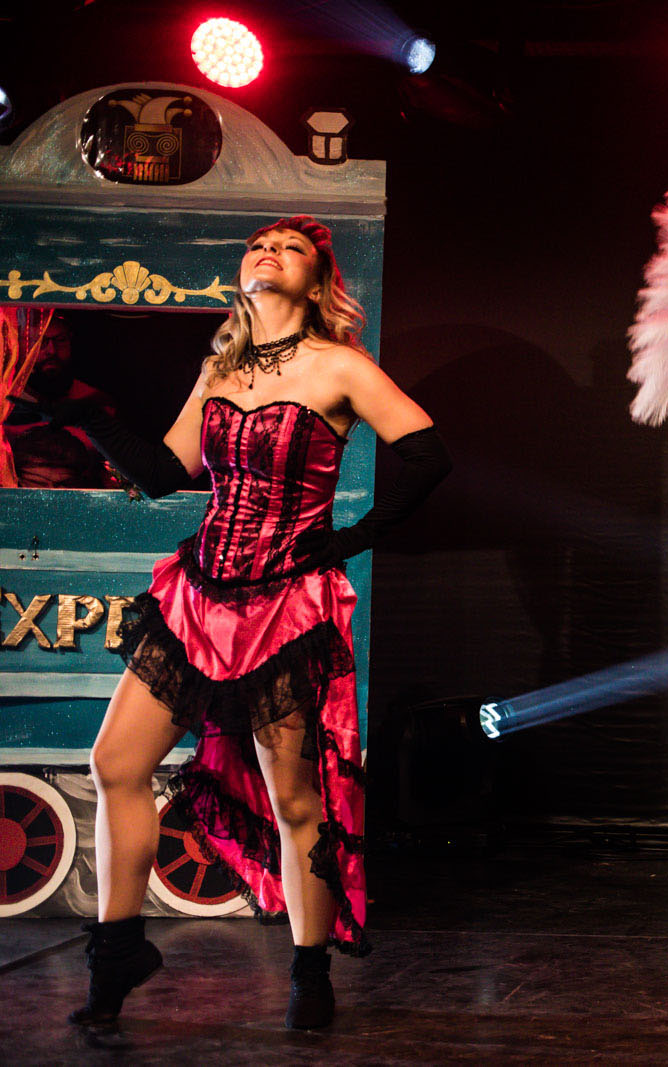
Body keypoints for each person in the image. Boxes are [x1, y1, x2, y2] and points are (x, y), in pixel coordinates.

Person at [13, 217, 450, 1029]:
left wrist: (352, 537)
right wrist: (81, 411)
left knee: (295, 799)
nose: (268, 252)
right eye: (258, 244)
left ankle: (310, 970)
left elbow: (429, 455)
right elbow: (163, 471)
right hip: (199, 596)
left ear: (318, 283)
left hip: (284, 606)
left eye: (290, 247)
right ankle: (117, 950)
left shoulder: (340, 366)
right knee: (115, 762)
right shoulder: (222, 369)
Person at [2, 316, 117, 488]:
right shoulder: (6, 403)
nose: (51, 350)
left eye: (60, 340)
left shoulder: (97, 402)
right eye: (41, 341)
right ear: (26, 346)